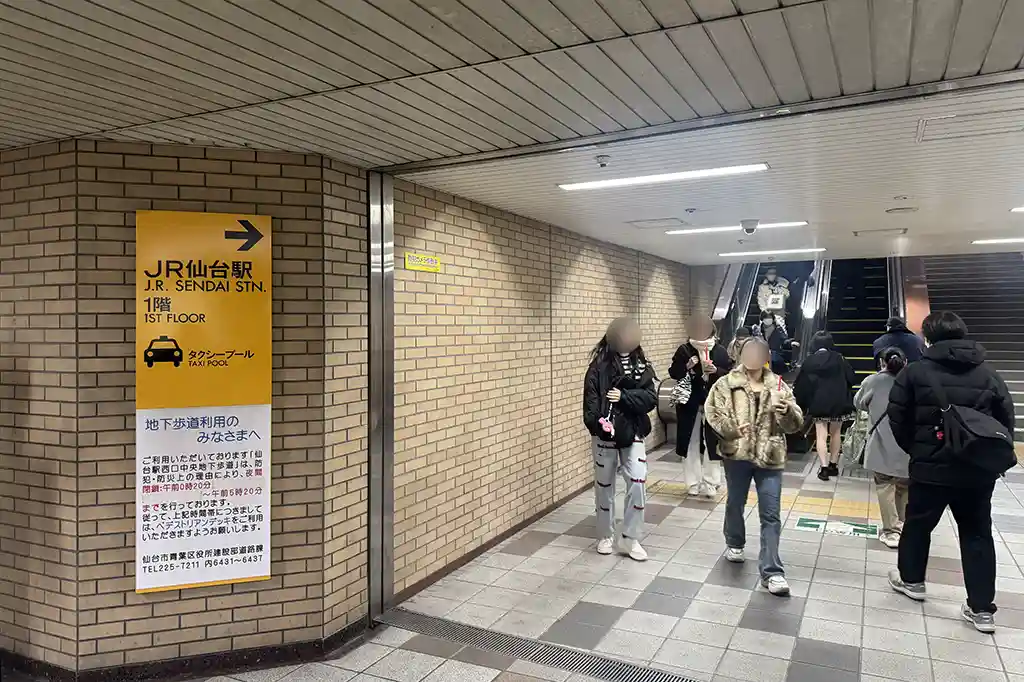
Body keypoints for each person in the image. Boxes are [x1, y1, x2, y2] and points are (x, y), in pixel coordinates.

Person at [886, 311, 1015, 633]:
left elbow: (897, 419)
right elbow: (1005, 421)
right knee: (977, 534)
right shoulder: (988, 374)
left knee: (917, 526)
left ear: (927, 338)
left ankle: (912, 580)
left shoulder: (914, 373)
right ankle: (981, 608)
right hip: (976, 472)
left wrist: (918, 451)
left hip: (931, 469)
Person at [705, 337, 803, 595]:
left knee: (770, 513)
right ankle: (735, 541)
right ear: (739, 355)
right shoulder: (725, 384)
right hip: (736, 456)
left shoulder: (778, 384)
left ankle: (772, 572)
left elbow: (796, 423)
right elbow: (713, 414)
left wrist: (785, 412)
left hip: (770, 456)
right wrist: (732, 430)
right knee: (735, 502)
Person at [583, 317, 657, 562]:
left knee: (638, 481)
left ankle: (630, 538)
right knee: (604, 486)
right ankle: (605, 534)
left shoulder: (643, 366)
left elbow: (650, 398)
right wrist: (598, 426)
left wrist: (624, 396)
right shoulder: (597, 368)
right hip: (605, 436)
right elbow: (590, 403)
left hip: (632, 431)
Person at [669, 314, 732, 498]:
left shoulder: (719, 350)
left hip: (712, 405)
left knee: (712, 443)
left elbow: (729, 375)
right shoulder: (684, 350)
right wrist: (687, 366)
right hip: (690, 404)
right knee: (690, 442)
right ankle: (692, 482)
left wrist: (717, 371)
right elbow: (673, 372)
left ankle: (711, 482)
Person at [854, 347, 911, 549]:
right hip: (908, 446)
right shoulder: (914, 381)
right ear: (905, 362)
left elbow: (859, 403)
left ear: (882, 363)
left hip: (881, 444)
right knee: (903, 487)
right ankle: (902, 526)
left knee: (884, 486)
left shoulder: (872, 381)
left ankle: (891, 531)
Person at [793, 331, 857, 481]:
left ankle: (823, 468)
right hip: (839, 401)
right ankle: (834, 465)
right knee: (836, 433)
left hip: (818, 402)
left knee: (821, 436)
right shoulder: (840, 359)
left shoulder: (809, 361)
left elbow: (802, 385)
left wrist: (803, 402)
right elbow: (852, 378)